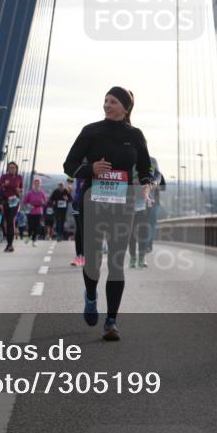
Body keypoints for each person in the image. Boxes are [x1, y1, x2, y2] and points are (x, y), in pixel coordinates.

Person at [64, 87, 153, 341]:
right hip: (93, 202)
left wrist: (146, 186)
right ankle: (91, 297)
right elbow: (69, 165)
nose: (107, 105)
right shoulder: (91, 131)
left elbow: (146, 169)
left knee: (116, 262)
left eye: (113, 101)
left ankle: (111, 321)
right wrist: (91, 168)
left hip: (122, 204)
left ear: (126, 107)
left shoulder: (135, 135)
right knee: (92, 261)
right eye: (105, 100)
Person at [0, 162, 23, 252]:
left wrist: (19, 190)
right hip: (6, 201)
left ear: (16, 169)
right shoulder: (4, 177)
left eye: (14, 167)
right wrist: (5, 184)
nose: (12, 169)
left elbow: (21, 189)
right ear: (8, 169)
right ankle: (9, 244)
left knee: (11, 221)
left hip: (15, 201)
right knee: (7, 221)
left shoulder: (19, 177)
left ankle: (10, 244)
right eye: (10, 167)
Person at [24, 178, 47, 247]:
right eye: (36, 183)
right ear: (34, 184)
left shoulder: (42, 193)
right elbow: (25, 202)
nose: (37, 184)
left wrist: (43, 202)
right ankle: (29, 236)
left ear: (40, 184)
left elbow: (45, 203)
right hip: (31, 211)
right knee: (31, 226)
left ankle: (34, 240)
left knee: (37, 226)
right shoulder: (30, 193)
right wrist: (29, 205)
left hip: (39, 211)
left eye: (38, 183)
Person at [71, 174, 86, 267]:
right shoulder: (80, 171)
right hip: (78, 202)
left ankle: (85, 256)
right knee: (80, 229)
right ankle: (78, 256)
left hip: (91, 203)